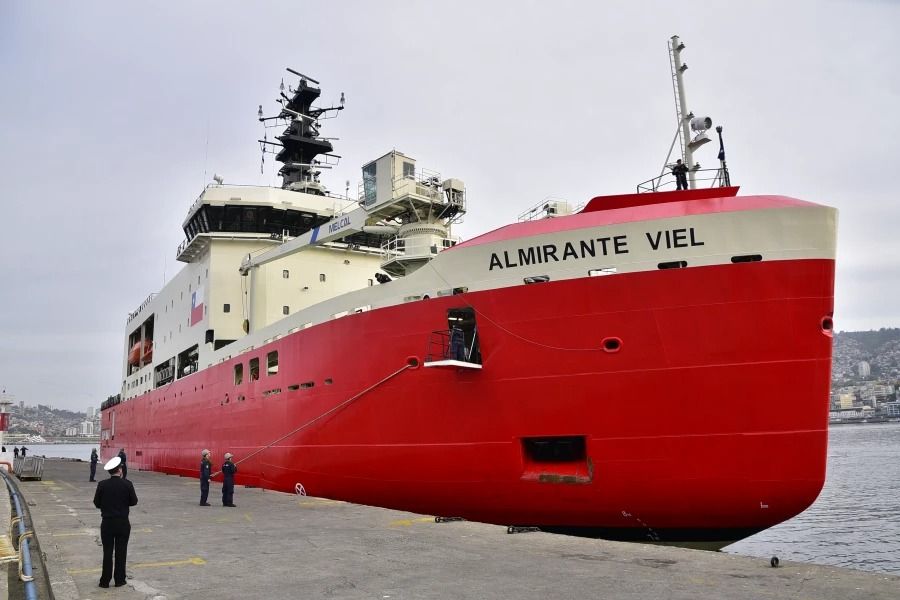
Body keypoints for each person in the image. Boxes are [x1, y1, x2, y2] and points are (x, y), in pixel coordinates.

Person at [93, 456, 138, 588]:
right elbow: (134, 502)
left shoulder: (102, 485)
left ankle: (104, 581)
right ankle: (119, 580)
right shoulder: (127, 484)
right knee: (121, 551)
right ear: (120, 470)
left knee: (107, 552)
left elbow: (96, 503)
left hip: (107, 523)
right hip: (123, 523)